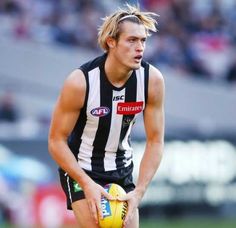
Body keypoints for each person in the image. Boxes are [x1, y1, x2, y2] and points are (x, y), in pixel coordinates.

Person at [48, 4, 165, 228]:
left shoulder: (152, 80)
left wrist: (138, 192)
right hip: (82, 169)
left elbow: (155, 141)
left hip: (122, 170)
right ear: (111, 42)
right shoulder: (80, 82)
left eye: (143, 41)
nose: (140, 48)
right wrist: (86, 182)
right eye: (132, 40)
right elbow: (55, 141)